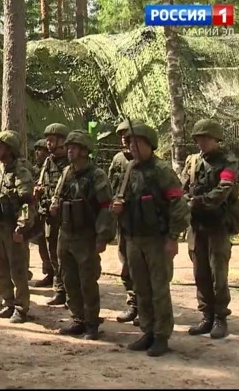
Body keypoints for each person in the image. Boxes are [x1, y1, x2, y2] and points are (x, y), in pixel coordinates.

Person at [111, 123, 189, 357]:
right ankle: (147, 331)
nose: (131, 147)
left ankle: (162, 335)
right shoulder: (130, 169)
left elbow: (178, 204)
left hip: (157, 239)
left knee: (159, 289)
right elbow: (121, 196)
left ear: (149, 145)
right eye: (130, 143)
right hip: (133, 238)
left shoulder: (162, 170)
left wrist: (173, 237)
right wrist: (118, 206)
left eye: (137, 143)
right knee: (141, 288)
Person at [50, 130, 115, 340]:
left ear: (85, 151)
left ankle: (92, 323)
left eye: (74, 147)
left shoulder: (96, 175)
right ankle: (78, 319)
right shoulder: (67, 172)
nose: (70, 151)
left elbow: (106, 206)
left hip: (86, 235)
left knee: (87, 280)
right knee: (69, 279)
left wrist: (102, 237)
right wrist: (54, 207)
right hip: (66, 233)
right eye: (68, 147)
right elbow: (57, 196)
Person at [181, 119, 239, 340]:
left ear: (216, 139)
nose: (201, 142)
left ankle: (220, 318)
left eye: (206, 138)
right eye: (198, 138)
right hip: (196, 226)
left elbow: (224, 188)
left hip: (217, 225)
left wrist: (200, 201)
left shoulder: (228, 161)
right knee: (200, 272)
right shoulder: (193, 162)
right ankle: (206, 316)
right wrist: (187, 201)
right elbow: (182, 188)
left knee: (218, 273)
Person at [0, 130, 35, 323]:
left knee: (17, 269)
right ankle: (8, 302)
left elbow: (27, 202)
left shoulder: (20, 171)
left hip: (12, 228)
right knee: (0, 266)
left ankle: (21, 308)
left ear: (10, 149)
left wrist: (21, 227)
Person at [34, 123, 70, 305]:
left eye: (51, 140)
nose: (48, 143)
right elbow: (42, 181)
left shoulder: (70, 163)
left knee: (64, 255)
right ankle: (59, 289)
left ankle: (68, 291)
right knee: (52, 253)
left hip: (66, 217)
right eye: (47, 140)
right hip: (48, 214)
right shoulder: (48, 161)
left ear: (62, 141)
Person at [107, 121, 139, 325]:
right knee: (126, 264)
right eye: (121, 136)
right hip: (123, 222)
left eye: (127, 135)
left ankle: (146, 307)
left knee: (141, 266)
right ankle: (133, 304)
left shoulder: (145, 160)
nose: (123, 139)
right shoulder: (118, 159)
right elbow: (111, 186)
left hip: (141, 221)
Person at [30, 138, 51, 286]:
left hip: (51, 211)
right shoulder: (34, 170)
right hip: (38, 211)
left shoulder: (52, 169)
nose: (38, 153)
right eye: (36, 150)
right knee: (42, 244)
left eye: (41, 150)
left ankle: (56, 276)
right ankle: (48, 273)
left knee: (52, 246)